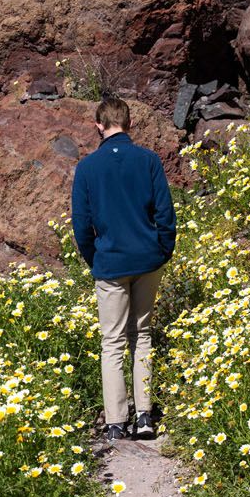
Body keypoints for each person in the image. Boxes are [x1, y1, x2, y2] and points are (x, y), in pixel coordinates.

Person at [70, 97, 176, 442]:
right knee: (141, 336)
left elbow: (82, 225)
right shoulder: (148, 160)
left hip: (110, 263)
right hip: (147, 260)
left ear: (98, 126)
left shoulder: (88, 168)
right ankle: (145, 416)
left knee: (112, 342)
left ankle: (117, 421)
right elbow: (165, 213)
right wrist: (162, 251)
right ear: (129, 123)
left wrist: (95, 258)